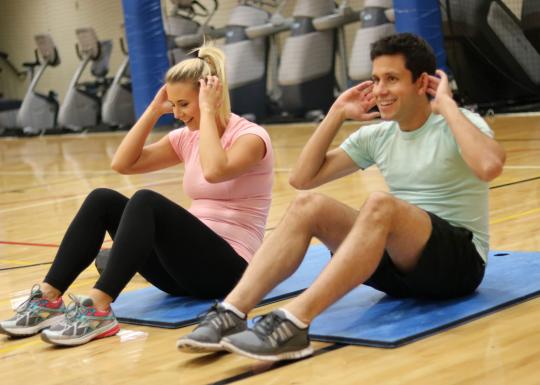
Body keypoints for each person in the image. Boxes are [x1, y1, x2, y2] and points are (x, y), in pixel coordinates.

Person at [177, 33, 506, 361]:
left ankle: (295, 321)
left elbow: (490, 166)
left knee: (380, 204)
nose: (379, 90)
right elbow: (302, 179)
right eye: (376, 79)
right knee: (309, 205)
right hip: (401, 268)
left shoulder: (460, 123)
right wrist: (336, 113)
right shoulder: (377, 135)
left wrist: (447, 107)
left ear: (422, 83)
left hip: (458, 267)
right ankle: (232, 312)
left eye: (391, 79)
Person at [0, 42, 274, 346]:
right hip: (181, 272)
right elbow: (124, 163)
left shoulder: (251, 137)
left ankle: (99, 308)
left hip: (229, 270)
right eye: (174, 105)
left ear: (212, 96)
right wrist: (153, 111)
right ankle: (48, 299)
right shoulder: (187, 137)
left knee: (146, 200)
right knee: (102, 199)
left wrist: (208, 111)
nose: (178, 113)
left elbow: (214, 169)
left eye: (184, 104)